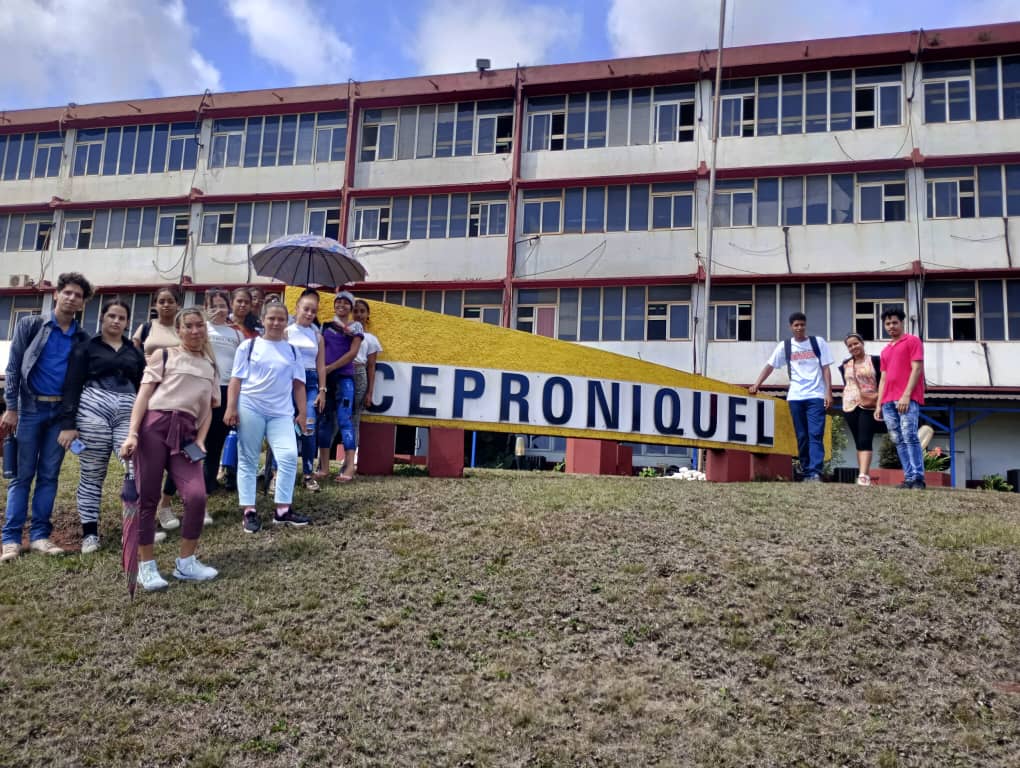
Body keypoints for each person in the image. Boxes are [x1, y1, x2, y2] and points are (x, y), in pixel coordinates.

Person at [119, 307, 220, 590]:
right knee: (147, 498)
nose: (195, 331)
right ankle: (147, 566)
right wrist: (133, 434)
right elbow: (144, 396)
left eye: (200, 325)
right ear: (179, 330)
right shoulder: (164, 356)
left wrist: (200, 439)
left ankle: (186, 563)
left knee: (197, 496)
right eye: (188, 326)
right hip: (155, 426)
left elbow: (208, 409)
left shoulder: (210, 366)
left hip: (186, 433)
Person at [1, 272, 93, 562]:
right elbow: (14, 368)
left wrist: (72, 422)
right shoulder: (30, 325)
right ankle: (11, 540)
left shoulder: (81, 337)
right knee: (21, 476)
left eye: (78, 295)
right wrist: (11, 407)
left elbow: (81, 381)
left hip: (60, 415)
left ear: (82, 303)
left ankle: (40, 535)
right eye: (67, 292)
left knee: (49, 476)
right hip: (29, 410)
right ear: (57, 294)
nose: (72, 298)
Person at [57, 299, 146, 553]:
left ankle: (135, 527)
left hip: (127, 412)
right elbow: (71, 386)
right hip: (93, 409)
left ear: (128, 323)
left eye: (121, 318)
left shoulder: (135, 352)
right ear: (102, 318)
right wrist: (68, 424)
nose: (116, 321)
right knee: (92, 473)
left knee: (133, 466)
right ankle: (90, 534)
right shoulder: (85, 349)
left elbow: (143, 388)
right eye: (112, 316)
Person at [225, 301, 309, 533]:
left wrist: (302, 413)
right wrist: (231, 407)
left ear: (287, 322)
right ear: (262, 320)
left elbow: (299, 385)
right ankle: (249, 511)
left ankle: (283, 510)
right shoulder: (249, 347)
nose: (276, 323)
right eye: (271, 318)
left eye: (281, 319)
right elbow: (236, 380)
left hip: (281, 412)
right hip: (251, 407)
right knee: (249, 459)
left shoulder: (292, 350)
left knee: (290, 456)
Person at [748, 312, 833, 482]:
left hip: (816, 395)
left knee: (815, 434)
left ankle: (815, 472)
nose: (799, 328)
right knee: (802, 435)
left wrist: (828, 392)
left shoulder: (818, 343)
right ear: (791, 327)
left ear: (805, 325)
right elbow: (770, 366)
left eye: (802, 324)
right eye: (796, 325)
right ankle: (806, 469)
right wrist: (757, 383)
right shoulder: (785, 346)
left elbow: (825, 368)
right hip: (795, 397)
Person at [132, 285, 183, 532]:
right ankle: (145, 514)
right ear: (155, 304)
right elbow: (133, 359)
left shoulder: (183, 329)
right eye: (161, 301)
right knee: (149, 459)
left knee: (180, 454)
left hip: (178, 396)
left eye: (170, 301)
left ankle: (166, 505)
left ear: (178, 305)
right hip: (151, 395)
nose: (165, 305)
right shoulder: (145, 329)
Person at [874, 308, 927, 489]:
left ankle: (918, 478)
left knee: (910, 436)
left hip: (907, 399)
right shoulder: (885, 350)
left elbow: (917, 369)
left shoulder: (912, 341)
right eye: (888, 324)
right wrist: (878, 404)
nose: (891, 326)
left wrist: (906, 395)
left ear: (902, 323)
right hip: (887, 401)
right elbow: (883, 378)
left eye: (895, 322)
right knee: (897, 439)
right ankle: (909, 476)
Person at [319, 291, 363, 483]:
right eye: (339, 302)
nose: (342, 305)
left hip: (344, 378)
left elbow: (353, 353)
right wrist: (322, 371)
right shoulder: (325, 326)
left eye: (346, 303)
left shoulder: (355, 327)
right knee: (325, 421)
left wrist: (330, 368)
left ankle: (349, 467)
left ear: (351, 308)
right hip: (325, 379)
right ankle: (324, 467)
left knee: (345, 420)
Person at [286, 289, 326, 492]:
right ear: (297, 308)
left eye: (313, 311)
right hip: (288, 383)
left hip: (310, 384)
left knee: (309, 428)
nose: (309, 314)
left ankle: (308, 474)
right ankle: (280, 474)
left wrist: (322, 390)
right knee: (285, 430)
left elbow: (321, 366)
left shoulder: (317, 336)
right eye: (306, 309)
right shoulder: (285, 332)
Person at [204, 289, 243, 494]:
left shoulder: (236, 333)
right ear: (206, 308)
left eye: (222, 306)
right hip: (201, 388)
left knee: (217, 439)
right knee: (197, 437)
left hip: (227, 389)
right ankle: (187, 482)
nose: (219, 310)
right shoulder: (201, 329)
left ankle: (209, 482)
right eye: (214, 306)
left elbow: (242, 363)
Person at [838, 332, 882, 486]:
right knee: (858, 441)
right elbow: (846, 383)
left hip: (869, 404)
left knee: (865, 438)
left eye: (856, 343)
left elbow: (883, 381)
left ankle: (863, 475)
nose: (853, 347)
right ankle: (863, 473)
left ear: (862, 343)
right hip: (850, 405)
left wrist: (880, 401)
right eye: (850, 345)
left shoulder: (875, 361)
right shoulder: (845, 364)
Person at [352, 298, 382, 449]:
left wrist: (370, 392)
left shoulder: (371, 339)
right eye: (355, 311)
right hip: (342, 375)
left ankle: (350, 460)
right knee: (336, 417)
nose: (358, 314)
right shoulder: (344, 333)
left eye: (362, 311)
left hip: (359, 376)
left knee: (354, 417)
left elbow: (371, 366)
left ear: (368, 315)